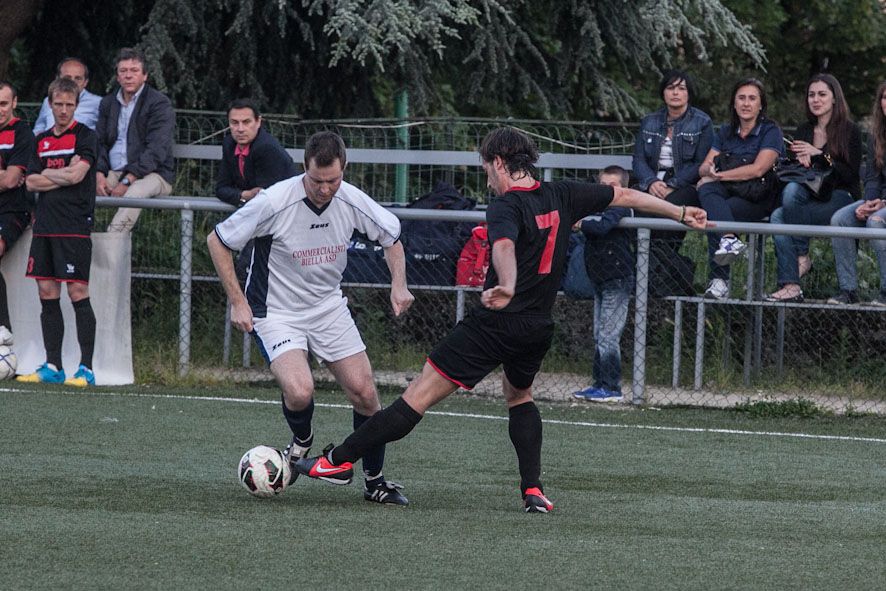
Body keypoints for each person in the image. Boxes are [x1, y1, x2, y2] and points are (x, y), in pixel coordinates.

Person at [292, 127, 710, 513]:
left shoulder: (505, 206)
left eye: (485, 168)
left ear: (497, 162)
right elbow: (626, 195)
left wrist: (506, 284)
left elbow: (504, 246)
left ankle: (337, 461)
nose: (487, 179)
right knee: (519, 396)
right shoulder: (562, 193)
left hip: (495, 325)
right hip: (537, 328)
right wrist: (680, 212)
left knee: (416, 396)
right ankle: (533, 490)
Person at [207, 131, 415, 505]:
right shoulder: (275, 201)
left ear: (344, 169)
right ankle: (302, 439)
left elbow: (392, 237)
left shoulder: (351, 199)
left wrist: (398, 285)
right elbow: (217, 241)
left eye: (332, 180)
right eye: (317, 180)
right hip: (276, 312)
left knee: (366, 393)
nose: (324, 189)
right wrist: (237, 302)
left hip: (328, 307)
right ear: (305, 167)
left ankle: (375, 482)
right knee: (300, 391)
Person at [17, 77, 98, 387]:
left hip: (74, 225)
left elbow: (79, 176)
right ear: (50, 105)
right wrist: (61, 173)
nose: (64, 110)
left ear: (76, 105)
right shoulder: (40, 140)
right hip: (45, 226)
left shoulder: (86, 136)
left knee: (77, 292)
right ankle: (53, 365)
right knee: (47, 292)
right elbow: (31, 182)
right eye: (59, 104)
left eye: (69, 104)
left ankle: (86, 369)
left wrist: (49, 174)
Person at [766, 74, 863, 303]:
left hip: (840, 196)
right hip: (808, 195)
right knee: (780, 211)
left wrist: (820, 155)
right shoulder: (804, 130)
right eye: (811, 95)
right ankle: (793, 282)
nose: (816, 100)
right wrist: (800, 161)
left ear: (834, 98)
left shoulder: (850, 130)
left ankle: (799, 262)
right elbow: (796, 174)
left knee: (782, 214)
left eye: (822, 94)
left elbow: (849, 174)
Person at [696, 78, 783, 300]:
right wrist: (707, 171)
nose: (746, 103)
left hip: (758, 196)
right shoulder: (726, 131)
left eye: (752, 98)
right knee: (707, 192)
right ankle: (729, 239)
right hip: (730, 191)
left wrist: (719, 176)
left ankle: (720, 280)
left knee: (720, 210)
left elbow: (758, 169)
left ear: (761, 104)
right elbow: (704, 165)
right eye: (741, 98)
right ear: (734, 104)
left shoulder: (771, 131)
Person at [633, 69, 712, 261]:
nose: (675, 93)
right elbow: (638, 159)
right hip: (651, 183)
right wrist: (651, 182)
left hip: (684, 185)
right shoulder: (649, 121)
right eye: (670, 88)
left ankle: (655, 264)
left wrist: (672, 185)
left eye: (681, 88)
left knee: (667, 211)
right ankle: (654, 264)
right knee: (634, 206)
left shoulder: (702, 122)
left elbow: (701, 163)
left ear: (689, 93)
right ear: (663, 92)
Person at [95, 47, 175, 233]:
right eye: (123, 71)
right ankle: (74, 241)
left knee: (134, 194)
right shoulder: (108, 103)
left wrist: (127, 180)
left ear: (145, 75)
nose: (128, 76)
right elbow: (99, 142)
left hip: (153, 174)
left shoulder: (159, 103)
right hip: (114, 171)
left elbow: (156, 149)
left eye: (134, 70)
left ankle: (111, 243)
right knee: (79, 188)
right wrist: (98, 174)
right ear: (117, 77)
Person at [572, 165, 634, 403]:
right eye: (603, 186)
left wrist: (581, 224)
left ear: (623, 188)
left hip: (616, 279)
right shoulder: (596, 207)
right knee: (599, 334)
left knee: (608, 335)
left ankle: (611, 387)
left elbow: (602, 227)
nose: (607, 190)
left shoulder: (621, 207)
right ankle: (599, 383)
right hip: (599, 278)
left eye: (613, 186)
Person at [828, 81, 886, 306]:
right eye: (884, 97)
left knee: (876, 222)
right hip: (879, 200)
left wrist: (881, 204)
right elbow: (872, 176)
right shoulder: (876, 135)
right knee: (840, 219)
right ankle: (848, 290)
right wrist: (870, 202)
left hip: (883, 206)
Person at [0, 81, 35, 346]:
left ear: (14, 103)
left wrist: (8, 176)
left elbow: (12, 180)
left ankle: (3, 329)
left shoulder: (22, 133)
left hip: (12, 209)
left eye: (3, 103)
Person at [215, 98, 297, 207]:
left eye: (246, 122)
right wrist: (244, 195)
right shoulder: (229, 144)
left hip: (287, 208)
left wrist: (241, 196)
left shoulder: (266, 147)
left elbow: (265, 197)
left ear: (258, 122)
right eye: (234, 123)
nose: (240, 129)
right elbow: (221, 189)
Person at [32, 58, 101, 134]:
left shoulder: (98, 103)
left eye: (78, 78)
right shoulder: (48, 100)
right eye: (67, 78)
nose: (72, 82)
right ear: (57, 79)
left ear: (85, 82)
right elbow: (39, 128)